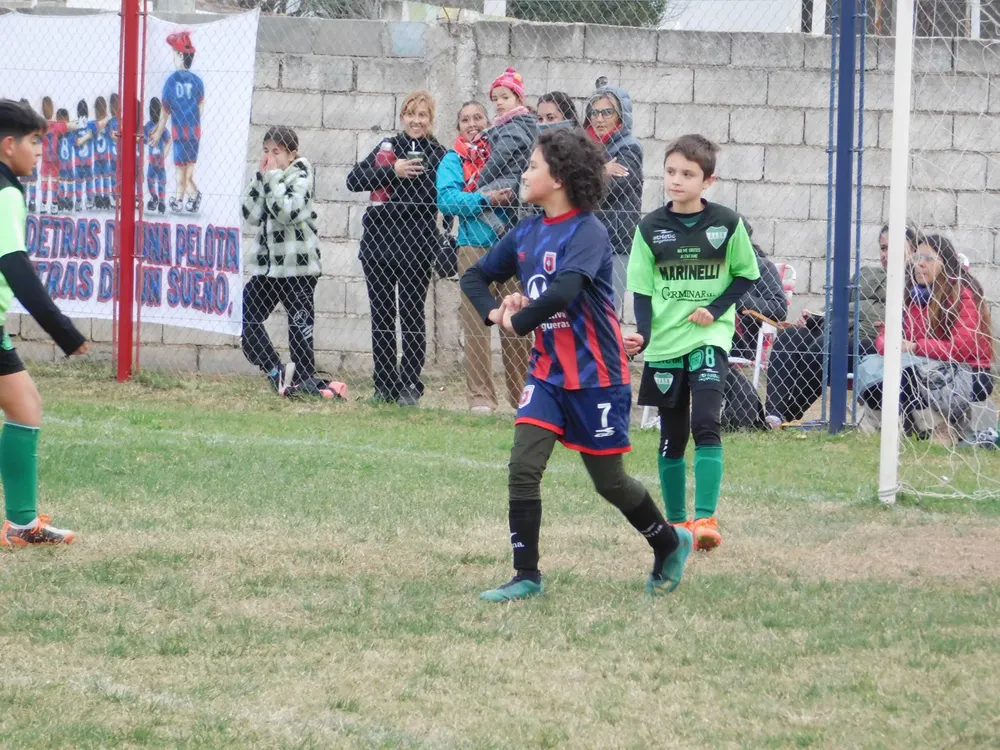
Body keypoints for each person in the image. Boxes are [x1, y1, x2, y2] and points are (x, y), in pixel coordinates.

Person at [461, 127, 692, 602]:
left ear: (560, 178)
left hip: (597, 377)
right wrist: (493, 310)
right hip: (547, 374)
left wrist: (517, 320)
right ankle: (526, 575)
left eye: (531, 166)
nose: (523, 174)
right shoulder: (524, 231)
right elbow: (475, 275)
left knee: (610, 482)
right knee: (523, 466)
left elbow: (565, 291)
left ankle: (669, 541)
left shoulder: (588, 230)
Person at [626, 134, 760, 552]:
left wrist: (716, 310)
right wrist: (644, 334)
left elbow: (744, 275)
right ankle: (677, 520)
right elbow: (643, 292)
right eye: (670, 172)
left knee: (706, 421)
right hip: (665, 345)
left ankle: (706, 518)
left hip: (708, 338)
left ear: (708, 181)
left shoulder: (727, 223)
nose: (676, 180)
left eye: (687, 174)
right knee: (672, 436)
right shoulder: (649, 228)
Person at [0, 100, 89, 547]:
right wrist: (64, 331)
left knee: (25, 406)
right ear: (7, 144)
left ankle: (21, 525)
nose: (40, 152)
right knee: (24, 406)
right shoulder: (6, 192)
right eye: (35, 142)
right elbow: (15, 267)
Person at [764, 223, 920, 428]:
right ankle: (772, 415)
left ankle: (786, 415)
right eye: (883, 248)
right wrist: (814, 317)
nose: (886, 253)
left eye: (894, 247)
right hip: (835, 330)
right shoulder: (865, 274)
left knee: (824, 347)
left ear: (914, 249)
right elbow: (835, 304)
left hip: (872, 342)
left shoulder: (918, 279)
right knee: (790, 337)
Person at [347, 90, 447, 406]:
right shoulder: (387, 148)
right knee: (382, 317)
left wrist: (385, 203)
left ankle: (408, 386)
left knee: (412, 316)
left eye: (423, 115)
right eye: (411, 114)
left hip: (416, 248)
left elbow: (427, 199)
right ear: (402, 116)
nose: (416, 120)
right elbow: (354, 180)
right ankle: (385, 385)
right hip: (377, 248)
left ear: (431, 120)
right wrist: (392, 171)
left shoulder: (439, 154)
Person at [437, 101, 530, 415]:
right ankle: (481, 398)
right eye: (465, 119)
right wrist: (484, 198)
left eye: (478, 117)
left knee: (516, 323)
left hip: (509, 247)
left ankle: (523, 398)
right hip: (473, 249)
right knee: (476, 325)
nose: (472, 123)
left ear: (489, 122)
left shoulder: (502, 151)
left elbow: (522, 183)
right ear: (458, 126)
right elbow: (448, 200)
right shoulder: (453, 158)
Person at [857, 234, 994, 442]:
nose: (919, 264)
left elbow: (961, 349)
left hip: (969, 373)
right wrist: (890, 345)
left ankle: (938, 429)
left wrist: (913, 347)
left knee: (909, 373)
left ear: (945, 263)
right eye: (916, 258)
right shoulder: (912, 294)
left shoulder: (962, 294)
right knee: (874, 368)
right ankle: (880, 428)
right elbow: (886, 335)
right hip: (925, 363)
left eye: (928, 259)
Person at [241, 125, 332, 398]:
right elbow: (250, 213)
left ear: (292, 154)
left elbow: (287, 211)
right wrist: (262, 177)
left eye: (277, 152)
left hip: (298, 269)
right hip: (269, 270)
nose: (271, 157)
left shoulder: (301, 175)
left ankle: (304, 380)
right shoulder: (269, 176)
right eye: (267, 151)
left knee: (299, 328)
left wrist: (271, 177)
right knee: (245, 317)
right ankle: (275, 370)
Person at [583, 82, 643, 319]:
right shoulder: (585, 147)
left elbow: (608, 190)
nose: (599, 118)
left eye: (607, 112)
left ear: (620, 116)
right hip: (585, 238)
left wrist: (585, 174)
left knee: (606, 310)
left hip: (614, 242)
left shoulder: (629, 148)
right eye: (594, 112)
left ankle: (609, 355)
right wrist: (599, 169)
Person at [724, 222, 789, 431]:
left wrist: (737, 297)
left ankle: (741, 411)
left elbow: (778, 309)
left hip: (741, 339)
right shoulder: (707, 265)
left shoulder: (761, 267)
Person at [477, 68, 536, 238]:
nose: (498, 103)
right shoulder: (507, 124)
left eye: (505, 97)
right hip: (513, 179)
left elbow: (499, 159)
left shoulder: (513, 127)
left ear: (518, 99)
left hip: (512, 178)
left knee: (476, 199)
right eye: (495, 99)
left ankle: (501, 231)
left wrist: (480, 183)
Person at [153, 30, 204, 214]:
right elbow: (200, 106)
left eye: (174, 53)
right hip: (193, 133)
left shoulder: (171, 82)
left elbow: (165, 111)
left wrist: (159, 131)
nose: (173, 57)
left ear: (181, 55)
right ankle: (183, 199)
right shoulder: (198, 82)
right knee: (188, 170)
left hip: (179, 132)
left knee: (179, 171)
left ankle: (189, 197)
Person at [38, 97, 69, 216]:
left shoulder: (41, 125)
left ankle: (44, 204)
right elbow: (67, 126)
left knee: (45, 181)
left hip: (46, 158)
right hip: (55, 158)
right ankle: (54, 204)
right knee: (55, 181)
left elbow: (39, 137)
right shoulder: (58, 125)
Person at [144, 97, 170, 214]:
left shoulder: (160, 127)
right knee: (152, 180)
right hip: (153, 161)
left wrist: (164, 153)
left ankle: (161, 201)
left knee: (159, 181)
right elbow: (144, 140)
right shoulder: (150, 126)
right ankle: (156, 198)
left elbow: (169, 139)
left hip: (157, 161)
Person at [71, 99, 97, 212]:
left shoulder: (75, 127)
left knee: (78, 182)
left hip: (78, 161)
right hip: (88, 161)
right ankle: (89, 200)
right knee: (89, 180)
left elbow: (74, 141)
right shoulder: (91, 125)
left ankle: (78, 201)